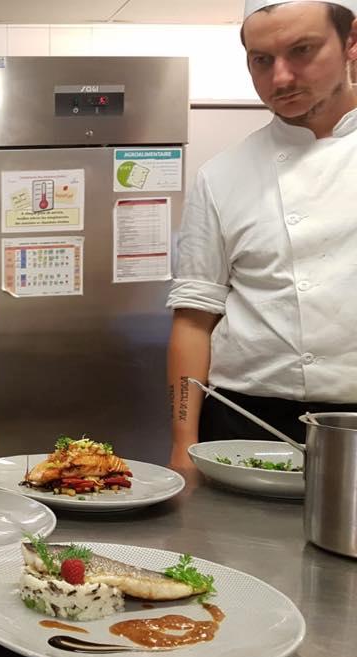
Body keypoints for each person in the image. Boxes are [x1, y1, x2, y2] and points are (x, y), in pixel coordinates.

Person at [167, 0, 357, 468]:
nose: (282, 79)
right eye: (262, 61)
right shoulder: (222, 175)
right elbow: (194, 320)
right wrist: (181, 445)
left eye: (303, 51)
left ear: (352, 42)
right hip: (243, 418)